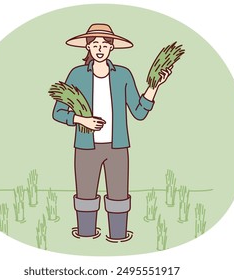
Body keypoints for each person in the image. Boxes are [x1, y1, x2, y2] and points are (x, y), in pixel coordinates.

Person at [52, 23, 172, 242]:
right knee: (85, 193)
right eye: (94, 44)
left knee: (119, 194)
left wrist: (155, 87)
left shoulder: (123, 75)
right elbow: (58, 112)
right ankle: (86, 233)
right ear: (87, 48)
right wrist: (82, 120)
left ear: (112, 48)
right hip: (86, 146)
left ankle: (118, 235)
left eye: (104, 45)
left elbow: (138, 111)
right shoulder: (77, 75)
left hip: (117, 147)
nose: (99, 48)